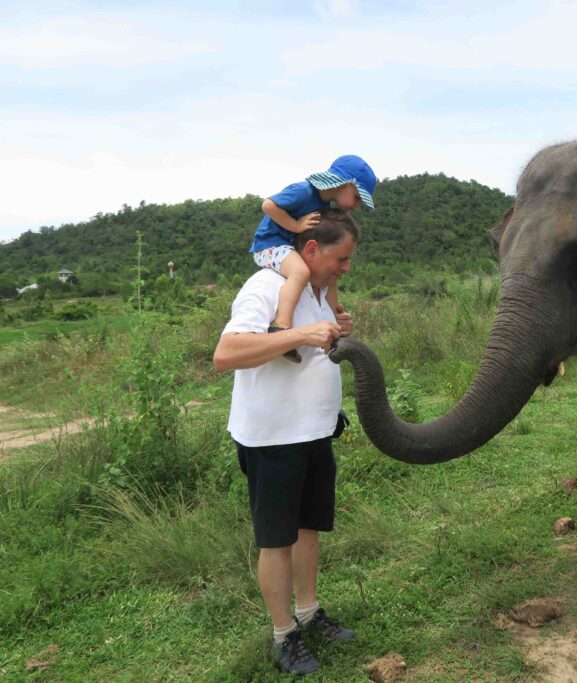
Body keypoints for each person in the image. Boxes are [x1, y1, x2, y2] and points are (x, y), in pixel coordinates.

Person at [214, 209, 360, 675]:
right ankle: (283, 637)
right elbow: (226, 354)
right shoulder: (266, 287)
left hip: (315, 434)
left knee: (307, 530)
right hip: (273, 441)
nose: (346, 268)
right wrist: (298, 333)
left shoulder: (316, 293)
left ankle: (309, 613)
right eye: (341, 258)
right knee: (277, 540)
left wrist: (334, 329)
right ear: (311, 249)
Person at [251, 154, 377, 363]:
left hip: (287, 245)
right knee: (300, 272)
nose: (356, 205)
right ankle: (281, 327)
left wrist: (336, 319)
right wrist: (296, 226)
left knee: (329, 276)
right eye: (357, 197)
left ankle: (333, 320)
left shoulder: (324, 204)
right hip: (270, 244)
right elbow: (268, 206)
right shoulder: (304, 191)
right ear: (345, 184)